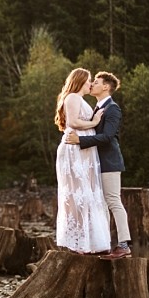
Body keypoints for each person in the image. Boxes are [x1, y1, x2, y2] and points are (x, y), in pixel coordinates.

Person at [66, 71, 131, 259]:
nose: (92, 84)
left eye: (96, 81)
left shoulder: (113, 109)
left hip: (109, 162)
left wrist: (80, 141)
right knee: (99, 204)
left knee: (113, 201)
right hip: (93, 164)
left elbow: (108, 137)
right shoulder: (97, 108)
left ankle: (123, 245)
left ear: (105, 87)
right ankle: (104, 245)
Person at [54, 68, 112, 255]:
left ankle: (89, 241)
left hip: (84, 150)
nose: (91, 84)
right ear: (80, 81)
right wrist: (94, 123)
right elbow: (73, 122)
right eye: (88, 81)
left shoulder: (80, 99)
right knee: (77, 193)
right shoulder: (72, 97)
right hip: (74, 149)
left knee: (87, 192)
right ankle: (78, 242)